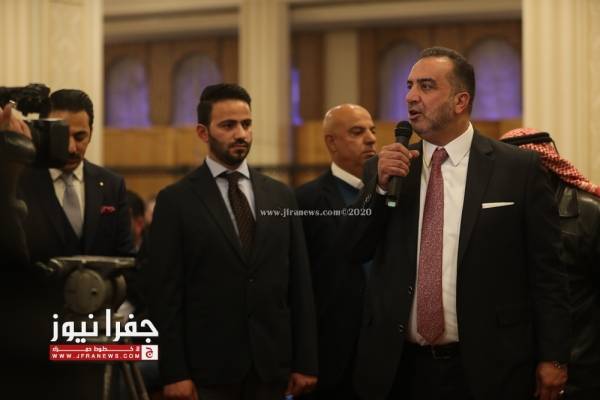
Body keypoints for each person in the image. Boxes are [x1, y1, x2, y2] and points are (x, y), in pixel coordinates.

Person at [343, 47, 570, 400]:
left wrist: (554, 356)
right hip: (399, 367)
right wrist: (380, 188)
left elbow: (548, 273)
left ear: (460, 100)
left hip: (489, 365)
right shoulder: (388, 167)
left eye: (426, 86)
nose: (411, 97)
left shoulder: (517, 170)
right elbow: (354, 248)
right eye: (409, 86)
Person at [146, 83, 318, 400]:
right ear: (203, 132)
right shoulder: (176, 200)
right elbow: (165, 295)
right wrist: (174, 372)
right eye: (228, 125)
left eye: (246, 124)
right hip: (207, 371)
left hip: (271, 368)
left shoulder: (281, 195)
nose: (241, 134)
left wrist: (306, 361)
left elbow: (299, 283)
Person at [17, 88, 134, 399]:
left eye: (80, 137)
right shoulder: (20, 183)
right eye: (63, 137)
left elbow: (127, 259)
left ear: (92, 132)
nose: (71, 147)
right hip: (35, 343)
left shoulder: (111, 185)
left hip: (96, 338)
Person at [500, 128, 600, 400]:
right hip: (513, 367)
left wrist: (560, 360)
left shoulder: (590, 213)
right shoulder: (497, 213)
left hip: (578, 369)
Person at [295, 104, 376, 399]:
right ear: (331, 142)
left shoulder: (392, 193)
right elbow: (298, 284)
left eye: (372, 130)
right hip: (332, 354)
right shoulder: (305, 200)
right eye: (357, 131)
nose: (371, 138)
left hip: (388, 352)